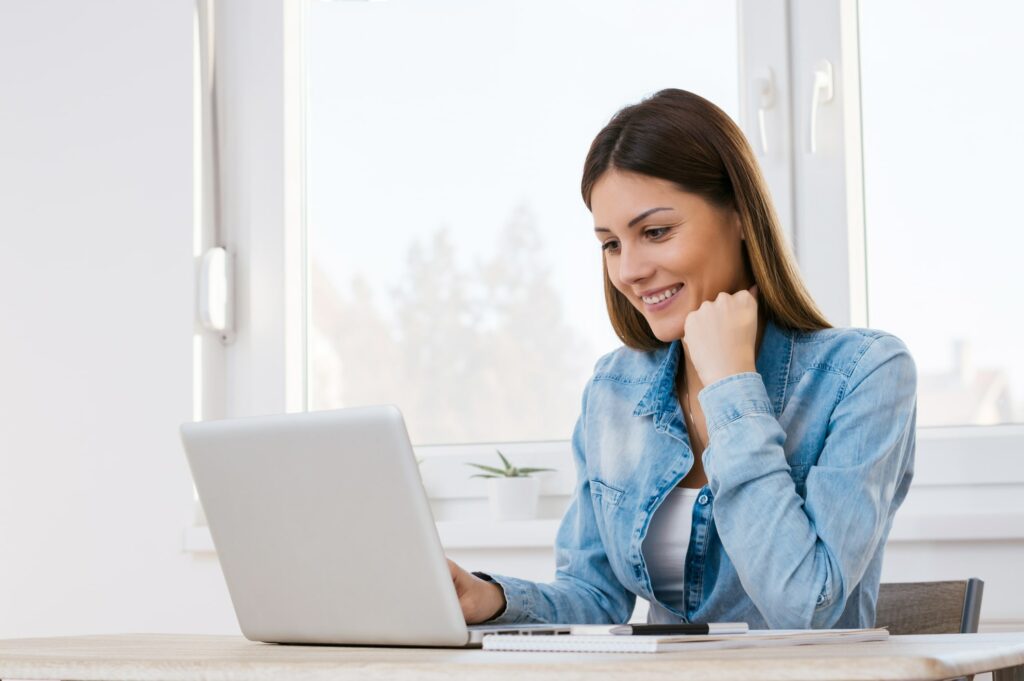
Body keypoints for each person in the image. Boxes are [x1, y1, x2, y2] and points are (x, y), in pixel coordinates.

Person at [447, 88, 917, 629]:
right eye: (611, 244)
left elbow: (804, 608)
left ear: (740, 215)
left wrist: (731, 386)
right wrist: (492, 599)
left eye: (655, 232)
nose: (629, 271)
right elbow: (595, 600)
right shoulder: (613, 390)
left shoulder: (865, 374)